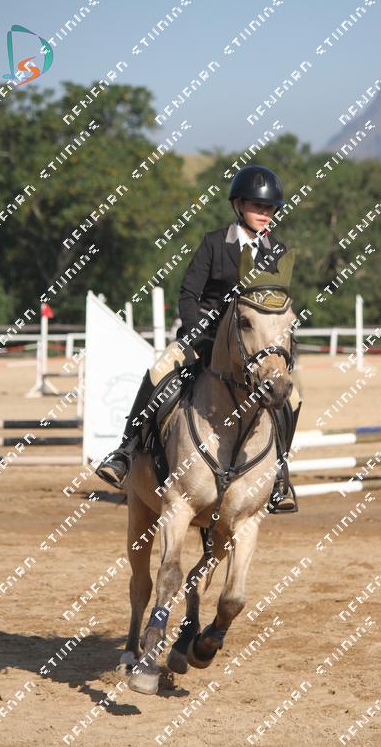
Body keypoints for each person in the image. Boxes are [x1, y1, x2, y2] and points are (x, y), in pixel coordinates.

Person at [96, 164, 301, 511]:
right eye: (257, 206)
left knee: (292, 396)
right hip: (204, 337)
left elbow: (276, 307)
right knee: (160, 370)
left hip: (253, 349)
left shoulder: (276, 251)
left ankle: (279, 472)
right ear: (239, 205)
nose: (264, 213)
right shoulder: (215, 243)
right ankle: (125, 452)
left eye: (269, 208)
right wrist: (197, 336)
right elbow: (189, 294)